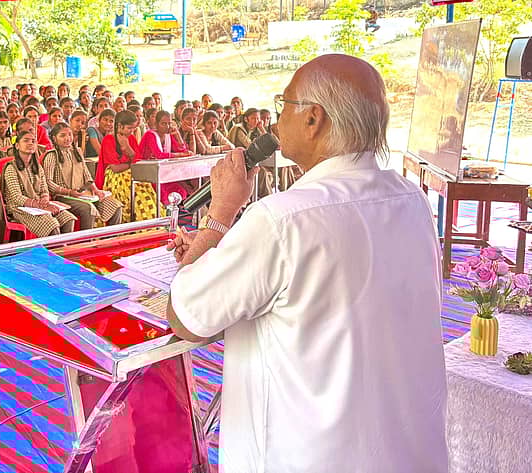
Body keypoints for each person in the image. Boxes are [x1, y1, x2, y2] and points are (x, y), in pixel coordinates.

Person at [166, 54, 447, 472]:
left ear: (313, 119)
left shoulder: (281, 220)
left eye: (284, 104)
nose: (276, 119)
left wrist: (220, 212)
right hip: (406, 452)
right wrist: (223, 247)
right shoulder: (412, 200)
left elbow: (187, 316)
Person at [43, 123, 122, 229]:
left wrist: (96, 190)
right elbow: (48, 182)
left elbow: (87, 175)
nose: (67, 138)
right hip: (63, 197)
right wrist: (69, 192)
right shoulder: (51, 155)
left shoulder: (77, 151)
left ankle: (110, 237)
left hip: (82, 194)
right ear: (54, 138)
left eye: (69, 134)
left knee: (115, 205)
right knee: (88, 209)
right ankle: (87, 239)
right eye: (62, 135)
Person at [2, 129, 76, 237]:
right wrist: (40, 205)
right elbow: (17, 197)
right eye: (26, 141)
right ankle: (54, 248)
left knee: (68, 218)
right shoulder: (11, 168)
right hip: (19, 208)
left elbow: (44, 189)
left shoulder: (37, 166)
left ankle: (64, 247)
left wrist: (45, 200)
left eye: (33, 141)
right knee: (51, 225)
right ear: (17, 146)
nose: (30, 143)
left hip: (38, 205)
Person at [97, 110, 159, 223]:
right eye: (129, 128)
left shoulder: (131, 139)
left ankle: (153, 224)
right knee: (137, 196)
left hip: (133, 175)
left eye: (133, 128)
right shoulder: (108, 140)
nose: (132, 131)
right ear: (119, 126)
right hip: (115, 179)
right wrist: (131, 164)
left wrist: (128, 148)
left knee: (147, 194)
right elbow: (115, 168)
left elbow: (138, 161)